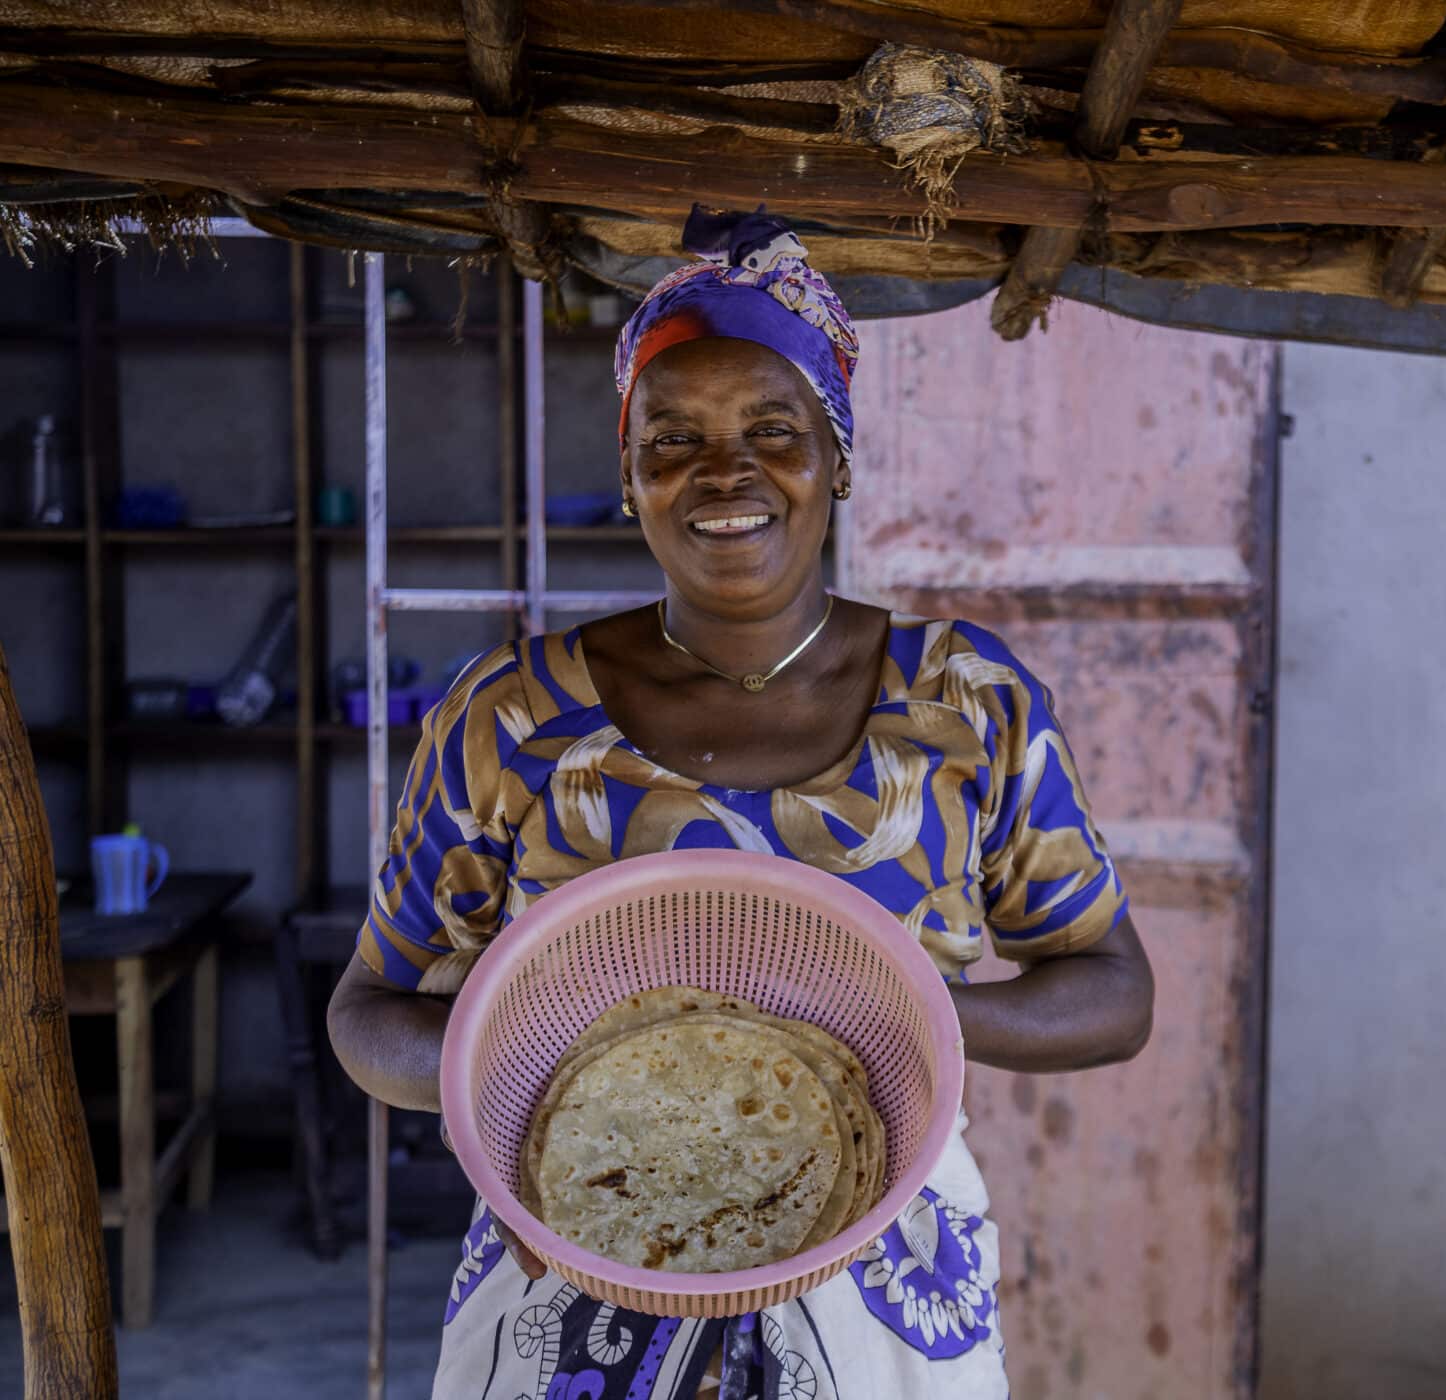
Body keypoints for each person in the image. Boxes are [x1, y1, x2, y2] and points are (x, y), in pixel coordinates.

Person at [326, 207, 1154, 1400]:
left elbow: (1113, 992)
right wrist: (547, 1091)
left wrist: (875, 1023)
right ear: (628, 472)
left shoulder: (967, 699)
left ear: (839, 456)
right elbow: (368, 1010)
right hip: (577, 1259)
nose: (726, 472)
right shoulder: (510, 713)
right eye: (673, 438)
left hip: (884, 1285)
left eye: (776, 428)